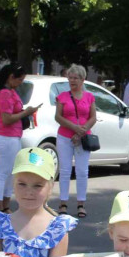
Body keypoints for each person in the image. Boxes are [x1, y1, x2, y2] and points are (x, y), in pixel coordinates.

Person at [0, 63, 39, 213]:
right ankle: (0, 208)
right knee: (3, 173)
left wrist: (26, 112)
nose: (20, 84)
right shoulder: (5, 93)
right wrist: (26, 113)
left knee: (10, 173)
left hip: (12, 136)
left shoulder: (9, 92)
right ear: (11, 77)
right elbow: (7, 119)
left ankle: (5, 206)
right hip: (7, 136)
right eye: (19, 80)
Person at [54, 64, 97, 218]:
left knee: (82, 171)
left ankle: (81, 204)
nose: (72, 80)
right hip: (65, 136)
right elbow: (58, 117)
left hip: (83, 138)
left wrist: (81, 131)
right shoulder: (62, 96)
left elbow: (93, 117)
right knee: (65, 171)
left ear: (82, 79)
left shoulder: (89, 96)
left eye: (75, 78)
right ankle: (63, 203)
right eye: (70, 77)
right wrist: (74, 128)